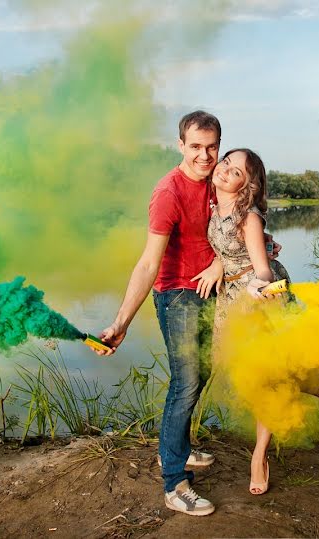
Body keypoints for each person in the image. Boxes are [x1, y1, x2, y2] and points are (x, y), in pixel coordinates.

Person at [94, 111, 225, 517]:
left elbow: (242, 226)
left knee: (201, 374)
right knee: (185, 383)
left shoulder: (221, 179)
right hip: (178, 297)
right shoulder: (168, 191)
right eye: (196, 147)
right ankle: (174, 483)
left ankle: (179, 450)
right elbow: (149, 264)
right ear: (180, 145)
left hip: (213, 290)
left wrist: (221, 264)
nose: (205, 156)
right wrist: (121, 322)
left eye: (212, 146)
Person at [196, 148, 319, 496]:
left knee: (265, 378)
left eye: (235, 172)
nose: (225, 171)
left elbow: (261, 266)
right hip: (230, 298)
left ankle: (259, 457)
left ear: (249, 186)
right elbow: (222, 247)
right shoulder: (214, 203)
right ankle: (318, 388)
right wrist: (218, 265)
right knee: (235, 369)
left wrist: (256, 287)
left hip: (258, 297)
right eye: (226, 163)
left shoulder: (250, 217)